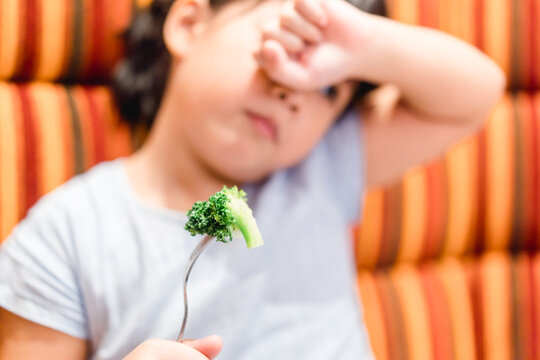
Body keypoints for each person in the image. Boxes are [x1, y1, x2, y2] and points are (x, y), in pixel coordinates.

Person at [0, 0, 505, 359]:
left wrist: (370, 46)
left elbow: (479, 93)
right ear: (191, 23)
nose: (295, 88)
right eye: (287, 42)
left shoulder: (322, 168)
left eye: (329, 88)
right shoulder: (64, 235)